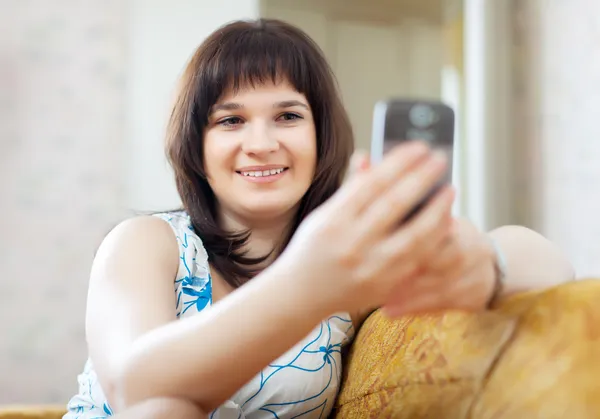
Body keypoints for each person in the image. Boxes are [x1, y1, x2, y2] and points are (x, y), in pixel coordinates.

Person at [64, 18, 574, 419]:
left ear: (321, 136)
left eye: (288, 116)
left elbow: (545, 264)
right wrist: (308, 282)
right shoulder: (146, 244)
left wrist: (485, 262)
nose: (261, 144)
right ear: (196, 146)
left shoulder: (349, 267)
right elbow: (138, 386)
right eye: (231, 120)